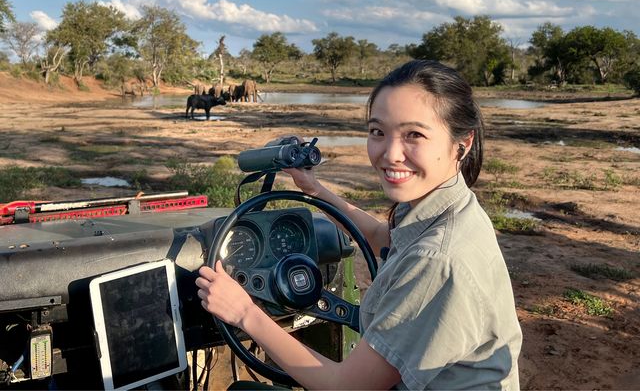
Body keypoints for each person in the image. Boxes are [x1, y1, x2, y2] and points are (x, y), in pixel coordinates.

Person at [196, 60, 522, 390]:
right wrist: (315, 189)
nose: (391, 153)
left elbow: (345, 386)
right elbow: (384, 239)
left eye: (414, 135)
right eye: (378, 132)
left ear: (461, 145)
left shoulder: (436, 260)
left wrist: (243, 312)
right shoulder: (450, 207)